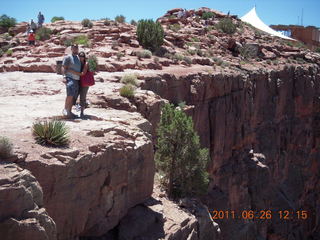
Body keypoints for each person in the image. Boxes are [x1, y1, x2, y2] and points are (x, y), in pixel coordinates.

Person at [69, 52, 93, 118]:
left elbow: (83, 73)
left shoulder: (86, 64)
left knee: (83, 98)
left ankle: (82, 113)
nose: (81, 57)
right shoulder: (77, 63)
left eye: (82, 56)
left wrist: (73, 72)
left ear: (84, 57)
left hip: (84, 83)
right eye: (80, 56)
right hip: (77, 82)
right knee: (74, 96)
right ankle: (69, 111)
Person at [62, 44, 81, 118]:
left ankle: (69, 112)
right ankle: (65, 110)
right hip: (70, 78)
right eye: (74, 48)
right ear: (71, 49)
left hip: (77, 79)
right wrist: (64, 77)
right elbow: (63, 67)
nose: (75, 49)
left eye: (76, 48)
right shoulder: (68, 57)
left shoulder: (78, 58)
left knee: (73, 96)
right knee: (69, 95)